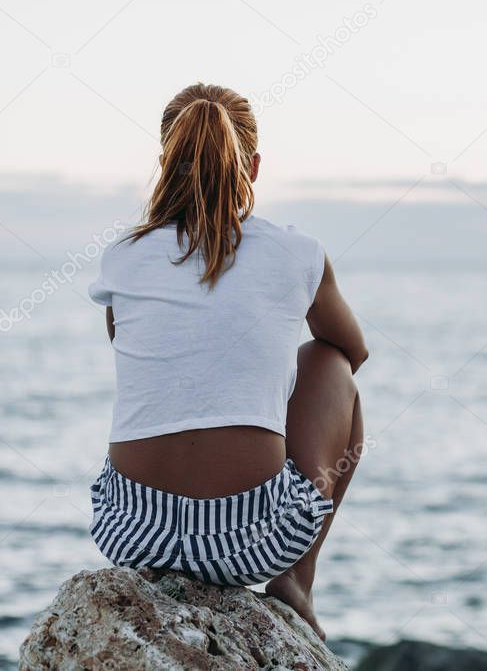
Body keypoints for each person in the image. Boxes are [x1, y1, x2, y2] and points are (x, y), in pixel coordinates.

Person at [86, 82, 367, 639]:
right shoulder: (297, 252)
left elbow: (133, 345)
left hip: (131, 534)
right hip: (252, 544)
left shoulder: (123, 255)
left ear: (165, 162)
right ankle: (296, 580)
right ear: (253, 167)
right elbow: (352, 351)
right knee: (328, 363)